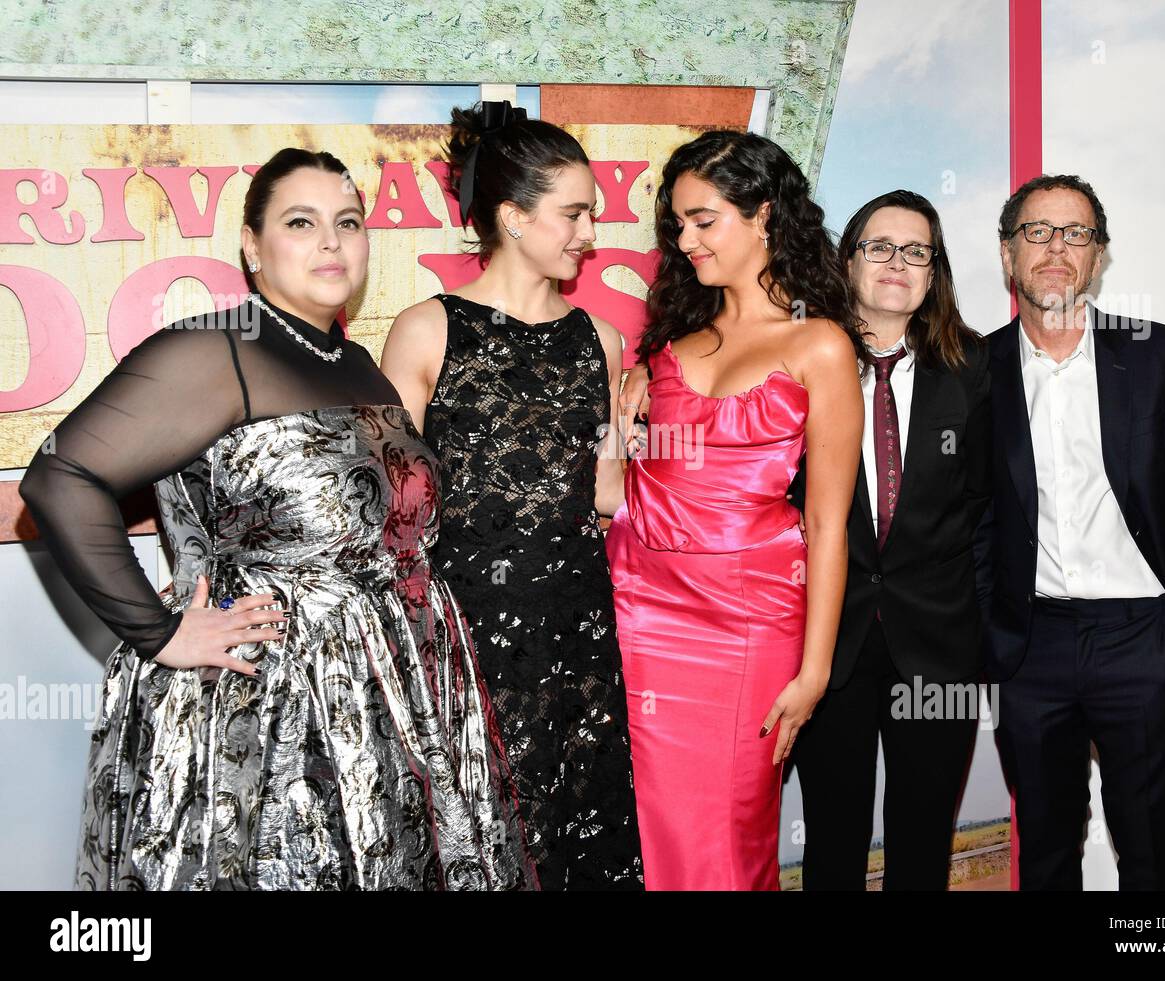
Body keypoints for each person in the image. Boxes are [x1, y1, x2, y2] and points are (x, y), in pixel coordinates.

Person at [20, 148, 534, 891]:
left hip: (385, 689)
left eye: (348, 222)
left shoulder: (355, 360)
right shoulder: (213, 348)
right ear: (253, 246)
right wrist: (158, 633)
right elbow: (61, 478)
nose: (332, 241)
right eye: (302, 222)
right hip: (267, 706)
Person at [381, 101, 642, 890]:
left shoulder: (598, 339)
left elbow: (601, 498)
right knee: (479, 834)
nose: (590, 232)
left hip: (577, 625)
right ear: (512, 217)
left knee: (575, 832)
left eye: (592, 213)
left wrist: (629, 446)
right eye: (573, 213)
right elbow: (393, 512)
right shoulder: (427, 329)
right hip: (467, 633)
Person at [605, 130, 864, 890]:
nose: (685, 240)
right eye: (677, 225)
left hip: (751, 624)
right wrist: (620, 429)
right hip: (645, 613)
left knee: (730, 831)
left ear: (763, 216)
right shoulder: (666, 348)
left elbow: (827, 524)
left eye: (703, 219)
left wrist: (815, 670)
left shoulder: (820, 345)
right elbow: (622, 490)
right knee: (657, 830)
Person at [978, 173, 1165, 890]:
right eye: (1037, 232)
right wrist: (989, 634)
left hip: (1142, 639)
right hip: (1028, 648)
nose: (1056, 248)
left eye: (1076, 233)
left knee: (1151, 857)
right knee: (1048, 854)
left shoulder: (1156, 353)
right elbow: (969, 518)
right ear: (1007, 254)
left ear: (1098, 257)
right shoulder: (975, 369)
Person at [790, 190, 990, 890]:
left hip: (941, 646)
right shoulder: (800, 365)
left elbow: (991, 512)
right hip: (828, 642)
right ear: (848, 262)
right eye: (879, 246)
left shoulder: (977, 372)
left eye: (917, 252)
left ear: (935, 274)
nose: (897, 263)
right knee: (833, 845)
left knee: (923, 844)